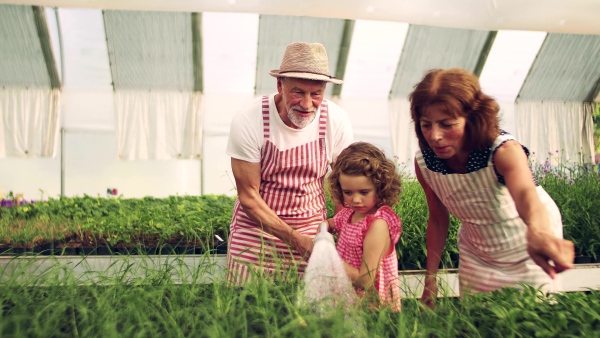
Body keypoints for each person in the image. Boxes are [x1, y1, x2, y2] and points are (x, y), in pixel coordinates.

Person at [409, 68, 575, 309]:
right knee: (480, 320)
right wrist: (430, 279)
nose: (435, 136)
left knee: (534, 317)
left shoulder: (503, 151)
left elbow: (527, 196)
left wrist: (539, 234)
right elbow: (437, 217)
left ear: (473, 118)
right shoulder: (425, 162)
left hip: (526, 244)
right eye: (426, 125)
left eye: (447, 124)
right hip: (478, 252)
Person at [226, 42, 354, 284]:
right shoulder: (250, 119)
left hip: (313, 229)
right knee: (247, 311)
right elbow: (249, 196)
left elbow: (344, 188)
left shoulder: (335, 120)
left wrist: (343, 237)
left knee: (312, 312)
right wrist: (295, 239)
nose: (307, 104)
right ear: (279, 85)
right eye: (298, 92)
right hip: (256, 231)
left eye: (316, 94)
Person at [324, 142, 402, 311]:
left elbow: (365, 280)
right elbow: (330, 223)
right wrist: (323, 229)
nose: (356, 200)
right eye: (348, 192)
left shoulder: (377, 225)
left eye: (364, 192)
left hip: (373, 308)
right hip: (349, 301)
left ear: (380, 187)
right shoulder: (348, 215)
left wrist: (330, 260)